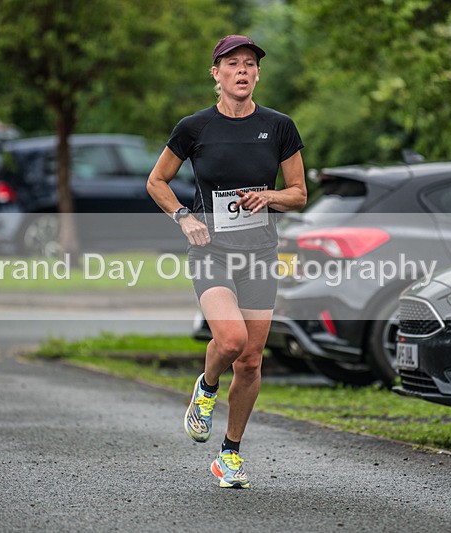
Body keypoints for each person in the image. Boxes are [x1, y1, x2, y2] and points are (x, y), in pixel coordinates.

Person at [147, 35, 306, 488]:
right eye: (233, 64)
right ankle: (207, 387)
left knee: (252, 362)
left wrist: (269, 196)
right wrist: (183, 217)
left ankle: (229, 454)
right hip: (211, 251)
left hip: (260, 254)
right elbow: (157, 181)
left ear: (257, 74)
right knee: (232, 340)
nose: (243, 70)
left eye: (250, 64)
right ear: (216, 74)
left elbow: (298, 193)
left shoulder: (279, 126)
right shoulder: (194, 128)